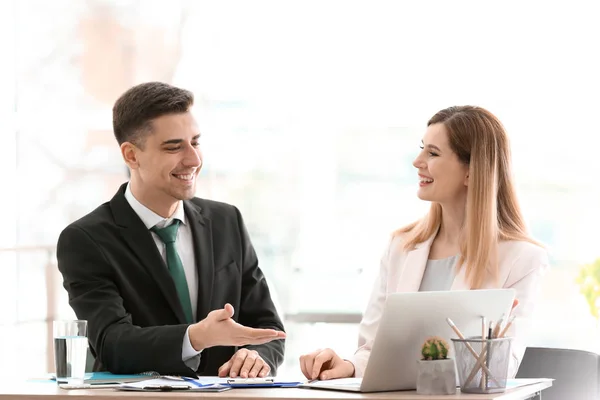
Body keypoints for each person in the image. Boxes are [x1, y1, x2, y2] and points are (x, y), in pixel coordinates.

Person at [299, 105, 548, 381]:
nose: (418, 161)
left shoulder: (522, 259)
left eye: (433, 153)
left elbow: (498, 372)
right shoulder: (401, 247)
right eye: (422, 149)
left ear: (471, 172)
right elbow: (373, 350)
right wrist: (348, 365)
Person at [57, 82, 286, 378]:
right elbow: (111, 343)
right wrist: (196, 337)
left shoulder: (226, 221)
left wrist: (255, 355)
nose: (193, 159)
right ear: (131, 156)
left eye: (196, 142)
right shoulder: (86, 240)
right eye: (174, 147)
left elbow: (268, 329)